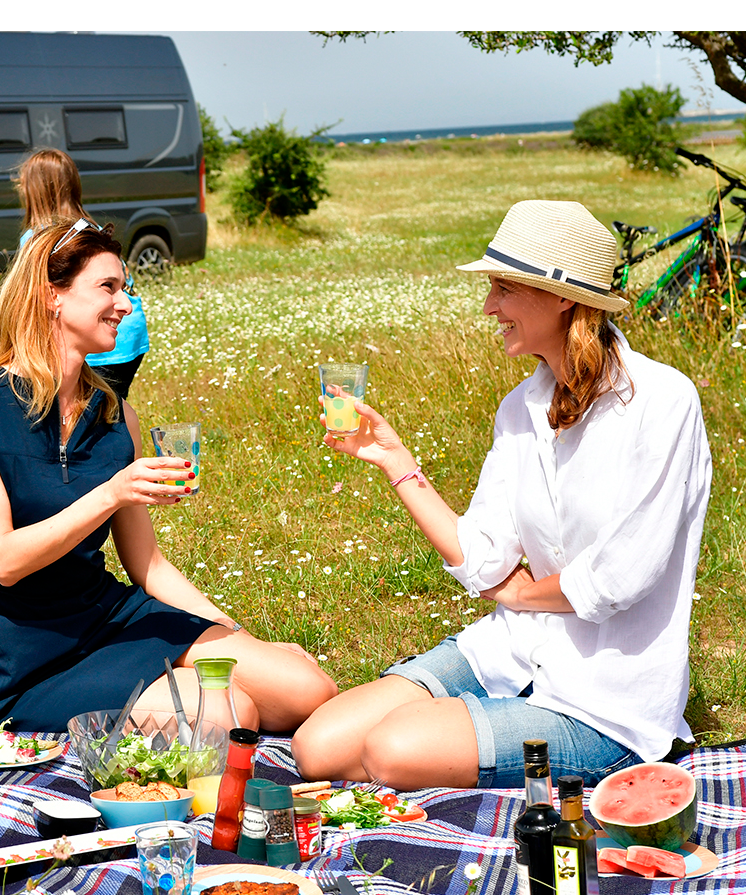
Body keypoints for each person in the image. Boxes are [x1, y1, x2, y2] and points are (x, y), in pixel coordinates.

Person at [291, 200, 713, 791]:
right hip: (511, 647)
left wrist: (519, 593)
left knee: (390, 747)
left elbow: (619, 579)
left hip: (602, 704)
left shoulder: (663, 402)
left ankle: (455, 747)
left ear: (562, 296)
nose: (490, 307)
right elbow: (485, 558)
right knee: (316, 746)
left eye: (503, 289)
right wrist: (396, 461)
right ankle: (451, 741)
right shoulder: (520, 409)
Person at [0, 217, 338, 733]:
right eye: (108, 286)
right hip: (27, 656)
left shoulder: (114, 414)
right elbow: (4, 560)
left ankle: (168, 691)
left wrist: (235, 631)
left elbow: (147, 565)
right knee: (227, 711)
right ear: (51, 296)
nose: (125, 304)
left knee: (309, 689)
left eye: (124, 287)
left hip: (109, 617)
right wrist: (111, 493)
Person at [15, 148, 150, 399]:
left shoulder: (37, 240)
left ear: (32, 190)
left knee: (82, 416)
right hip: (129, 337)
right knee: (109, 412)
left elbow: (29, 302)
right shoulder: (93, 230)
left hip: (95, 340)